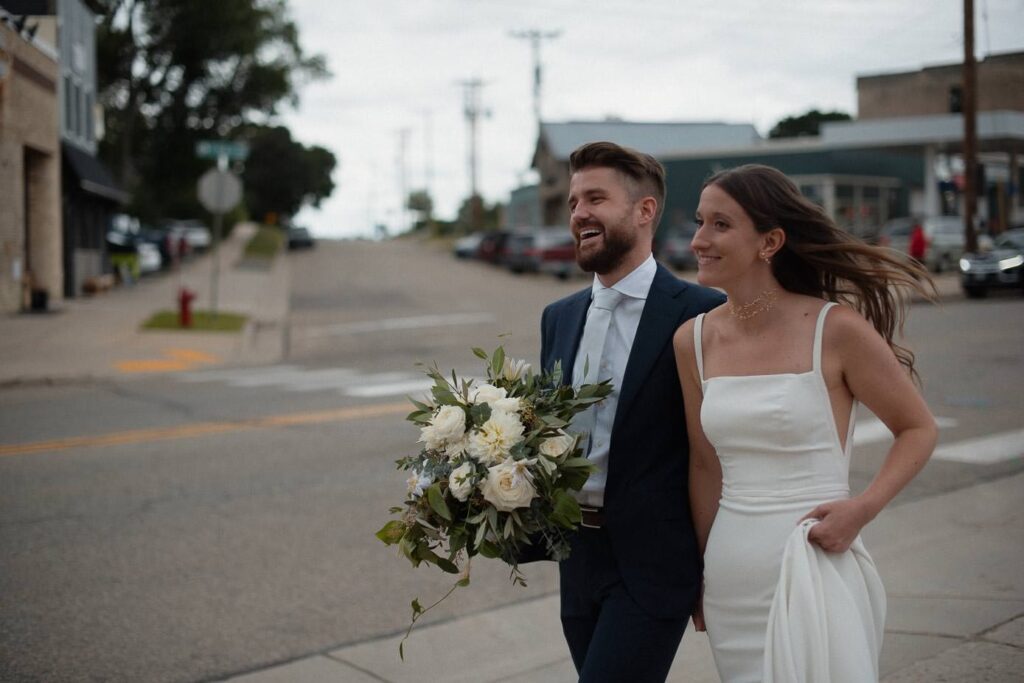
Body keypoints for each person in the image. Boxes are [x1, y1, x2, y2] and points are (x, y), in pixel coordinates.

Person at [672, 164, 938, 682]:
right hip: (732, 577)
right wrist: (701, 570)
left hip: (816, 561)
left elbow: (918, 428)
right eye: (700, 222)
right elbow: (704, 466)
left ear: (769, 241)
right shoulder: (693, 341)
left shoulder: (835, 329)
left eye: (720, 224)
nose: (699, 239)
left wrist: (862, 509)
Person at [535, 142, 724, 681]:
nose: (579, 213)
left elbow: (716, 453)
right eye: (574, 202)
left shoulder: (703, 314)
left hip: (655, 565)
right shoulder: (558, 317)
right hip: (576, 560)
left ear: (644, 210)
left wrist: (715, 565)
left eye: (596, 198)